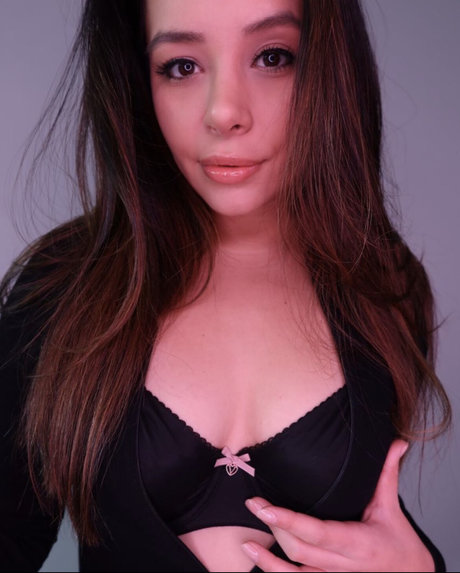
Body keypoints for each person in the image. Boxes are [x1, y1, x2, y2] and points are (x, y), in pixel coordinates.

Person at [0, 0, 451, 571]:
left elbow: (376, 529)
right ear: (140, 81)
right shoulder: (65, 284)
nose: (224, 113)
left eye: (272, 57)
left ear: (329, 69)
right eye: (182, 66)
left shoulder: (385, 286)